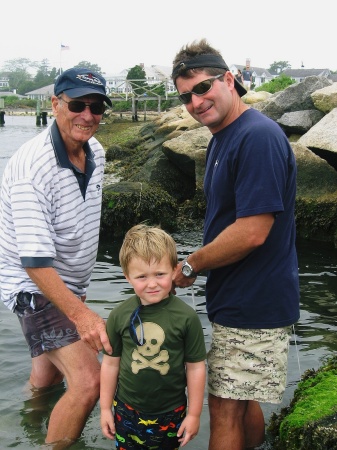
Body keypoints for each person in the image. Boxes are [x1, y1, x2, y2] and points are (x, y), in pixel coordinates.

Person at [171, 39, 300, 450]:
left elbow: (252, 231)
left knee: (223, 407)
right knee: (243, 400)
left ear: (229, 80)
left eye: (203, 88)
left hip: (255, 301)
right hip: (239, 296)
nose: (196, 102)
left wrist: (191, 264)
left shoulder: (257, 136)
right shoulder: (221, 138)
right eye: (186, 96)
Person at [0, 67, 113, 447]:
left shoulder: (96, 151)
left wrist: (77, 296)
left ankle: (28, 428)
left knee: (48, 378)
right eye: (77, 104)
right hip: (32, 284)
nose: (87, 115)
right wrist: (80, 314)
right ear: (55, 104)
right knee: (88, 383)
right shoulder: (33, 168)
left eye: (96, 108)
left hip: (67, 283)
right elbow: (33, 262)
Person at [100, 224, 206, 449]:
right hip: (126, 410)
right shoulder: (119, 315)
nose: (152, 283)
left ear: (174, 270)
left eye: (160, 274)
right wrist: (104, 408)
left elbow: (196, 367)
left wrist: (194, 414)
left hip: (171, 411)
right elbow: (110, 364)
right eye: (141, 276)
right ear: (127, 277)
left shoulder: (187, 318)